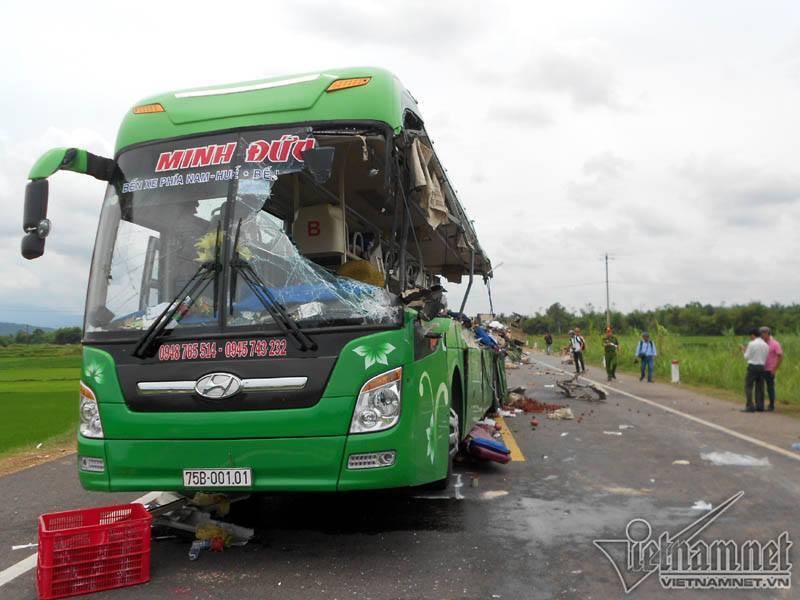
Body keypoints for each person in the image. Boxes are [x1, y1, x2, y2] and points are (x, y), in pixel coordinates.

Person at [741, 328, 769, 412]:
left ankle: (750, 406)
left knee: (748, 386)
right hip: (762, 367)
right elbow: (765, 357)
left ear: (753, 335)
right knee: (760, 387)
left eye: (750, 336)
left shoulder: (751, 343)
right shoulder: (765, 345)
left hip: (753, 366)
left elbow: (746, 357)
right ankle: (760, 406)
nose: (750, 338)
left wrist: (743, 350)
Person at [760, 326, 783, 412]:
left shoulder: (775, 343)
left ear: (767, 333)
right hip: (761, 368)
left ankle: (771, 405)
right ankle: (760, 404)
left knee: (770, 388)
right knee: (760, 387)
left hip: (770, 369)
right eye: (761, 333)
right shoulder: (761, 343)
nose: (762, 334)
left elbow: (780, 356)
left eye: (763, 333)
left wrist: (775, 369)